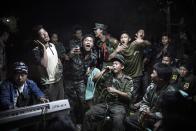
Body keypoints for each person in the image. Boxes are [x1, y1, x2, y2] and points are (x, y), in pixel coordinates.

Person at [83, 54, 133, 131]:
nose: (114, 66)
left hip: (119, 105)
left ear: (122, 67)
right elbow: (94, 79)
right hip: (106, 104)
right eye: (113, 64)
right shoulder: (108, 75)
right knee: (89, 114)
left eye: (116, 64)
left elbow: (129, 96)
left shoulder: (128, 80)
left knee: (118, 121)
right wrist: (104, 70)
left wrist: (116, 91)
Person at [125, 63, 176, 131]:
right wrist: (145, 110)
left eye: (153, 73)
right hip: (148, 115)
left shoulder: (170, 93)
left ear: (161, 78)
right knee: (128, 120)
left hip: (161, 120)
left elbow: (169, 114)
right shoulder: (151, 87)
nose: (151, 75)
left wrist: (152, 115)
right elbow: (145, 102)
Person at [109, 30, 151, 103]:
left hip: (136, 75)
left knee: (134, 96)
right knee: (124, 95)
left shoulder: (135, 45)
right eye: (121, 37)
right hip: (125, 76)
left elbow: (149, 44)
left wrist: (142, 41)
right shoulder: (119, 49)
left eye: (125, 37)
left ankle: (131, 109)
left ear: (129, 39)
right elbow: (109, 58)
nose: (123, 39)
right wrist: (116, 51)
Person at [28, 25, 64, 101]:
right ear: (37, 38)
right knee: (52, 108)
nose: (45, 34)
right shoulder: (36, 50)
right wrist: (43, 48)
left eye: (45, 32)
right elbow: (44, 64)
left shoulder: (52, 45)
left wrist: (60, 69)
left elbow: (57, 60)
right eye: (42, 34)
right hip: (49, 84)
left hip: (58, 81)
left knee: (61, 105)